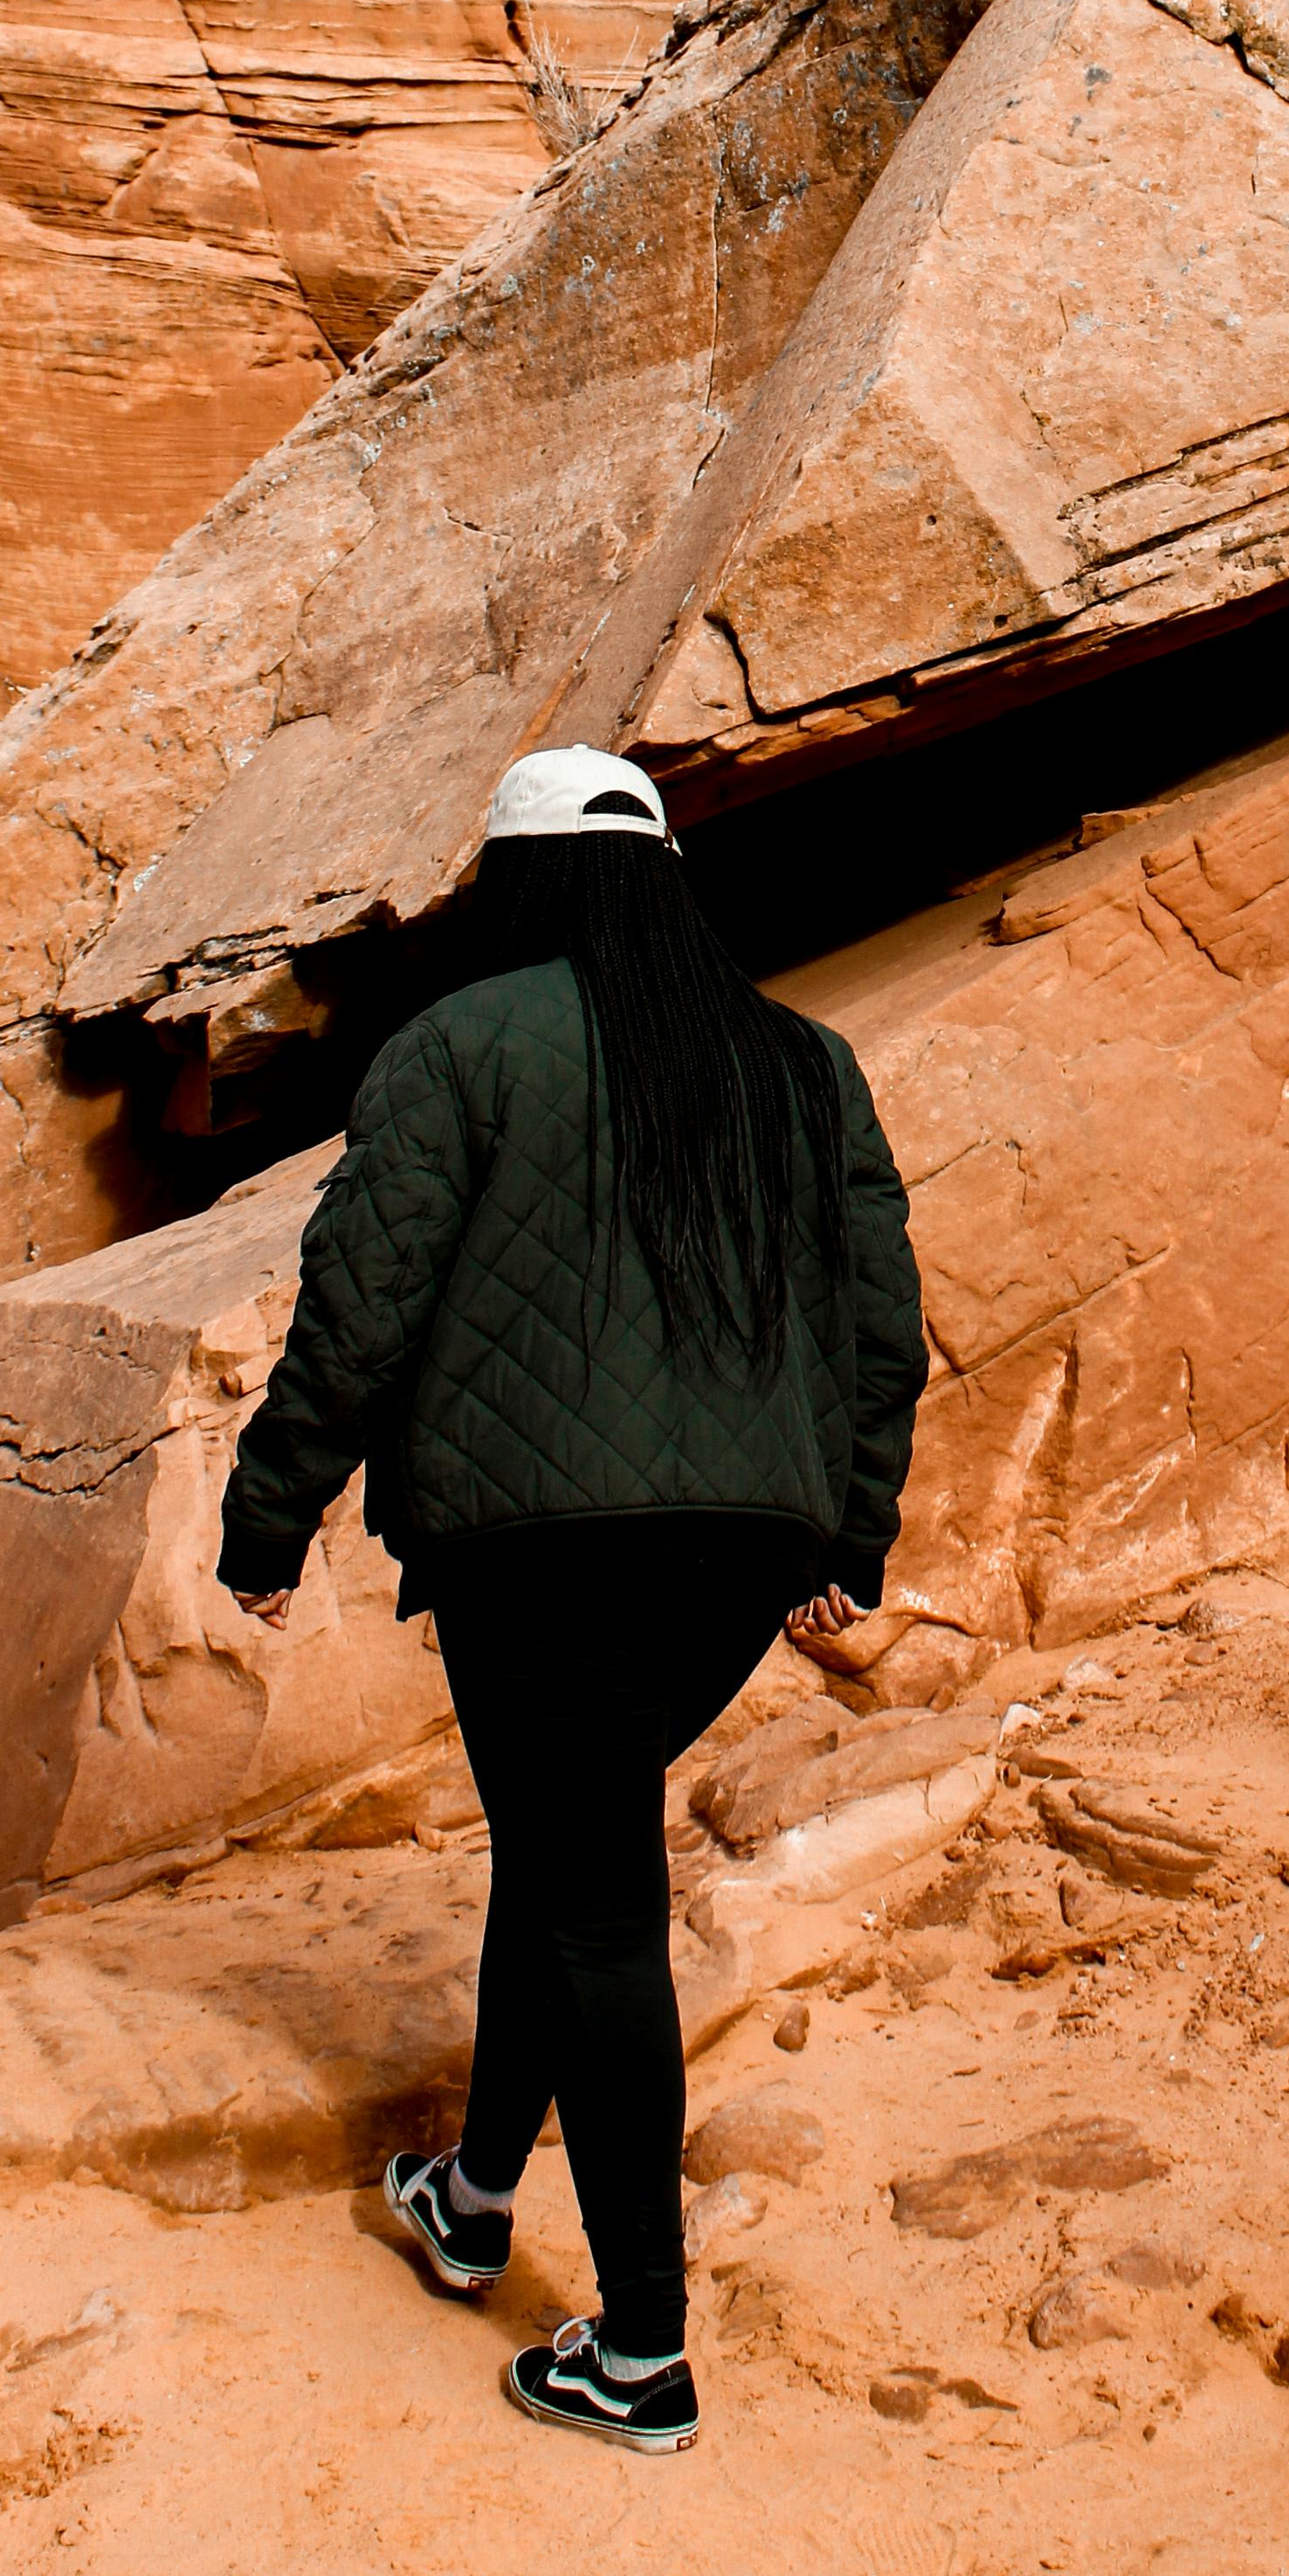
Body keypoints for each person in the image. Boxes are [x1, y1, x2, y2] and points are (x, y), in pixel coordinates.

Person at [214, 742, 926, 2454]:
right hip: (740, 1552)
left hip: (538, 1549)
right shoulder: (801, 1063)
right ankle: (467, 2197)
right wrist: (850, 1534)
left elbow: (360, 1304)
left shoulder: (460, 1047)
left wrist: (268, 1511)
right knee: (563, 1851)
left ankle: (639, 2354)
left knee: (595, 1904)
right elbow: (879, 1316)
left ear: (522, 887)